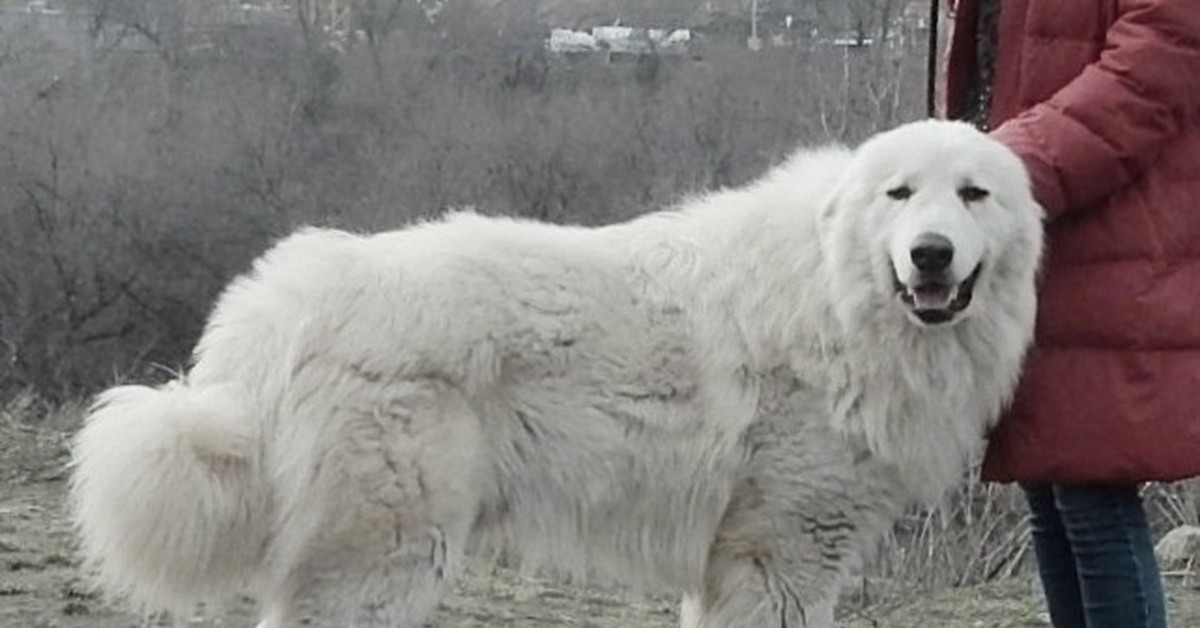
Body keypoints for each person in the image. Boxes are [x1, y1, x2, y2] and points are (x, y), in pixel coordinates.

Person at [941, 1, 1200, 627]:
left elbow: (1151, 70)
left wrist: (1001, 171)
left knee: (1089, 489)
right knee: (1050, 484)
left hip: (1106, 225)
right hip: (1034, 229)